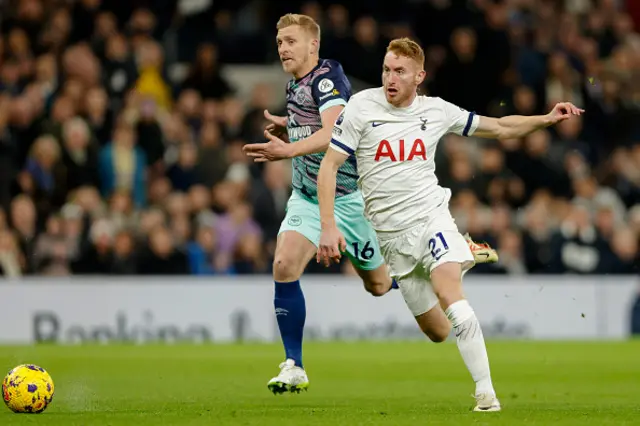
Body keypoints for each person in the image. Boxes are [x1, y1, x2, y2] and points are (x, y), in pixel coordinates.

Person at [316, 38, 583, 411]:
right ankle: (461, 251)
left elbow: (501, 127)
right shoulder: (361, 107)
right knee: (438, 331)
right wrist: (329, 225)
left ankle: (486, 393)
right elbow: (329, 166)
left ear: (419, 77)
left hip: (430, 217)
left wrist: (546, 118)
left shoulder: (437, 111)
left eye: (400, 72)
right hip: (392, 240)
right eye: (386, 70)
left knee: (450, 293)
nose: (390, 78)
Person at [242, 16, 498, 395]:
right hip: (310, 197)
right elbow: (318, 125)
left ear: (313, 46)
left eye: (291, 41)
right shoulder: (296, 84)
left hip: (352, 200)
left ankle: (450, 252)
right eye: (280, 41)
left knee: (380, 287)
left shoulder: (328, 77)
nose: (283, 48)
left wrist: (289, 148)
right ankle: (293, 363)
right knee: (283, 264)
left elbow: (332, 132)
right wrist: (293, 126)